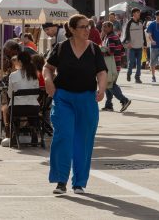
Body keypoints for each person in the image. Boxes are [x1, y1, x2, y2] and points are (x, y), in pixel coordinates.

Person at [43, 14, 107, 194]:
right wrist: (48, 80)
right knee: (64, 136)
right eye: (83, 27)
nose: (88, 30)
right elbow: (47, 67)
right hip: (63, 97)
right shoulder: (61, 47)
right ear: (71, 29)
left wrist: (101, 89)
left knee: (84, 141)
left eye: (88, 26)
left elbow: (102, 72)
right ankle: (60, 180)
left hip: (87, 99)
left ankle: (79, 182)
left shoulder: (94, 49)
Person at [1, 51, 40, 147]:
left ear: (19, 62)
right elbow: (36, 95)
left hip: (17, 108)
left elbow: (10, 94)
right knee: (30, 109)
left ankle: (15, 132)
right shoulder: (34, 75)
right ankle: (33, 129)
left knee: (11, 109)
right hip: (33, 108)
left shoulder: (13, 75)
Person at [101, 21, 132, 112]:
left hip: (112, 65)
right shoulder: (113, 37)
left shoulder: (111, 37)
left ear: (111, 28)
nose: (103, 28)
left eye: (105, 27)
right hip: (115, 64)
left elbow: (111, 51)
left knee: (110, 84)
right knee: (108, 84)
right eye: (103, 27)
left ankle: (124, 100)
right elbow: (122, 51)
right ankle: (109, 104)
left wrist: (101, 51)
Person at [122, 8, 146, 84]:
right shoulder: (129, 23)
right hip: (132, 46)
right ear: (134, 14)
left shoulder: (141, 22)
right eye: (137, 13)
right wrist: (127, 42)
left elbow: (143, 34)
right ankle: (129, 74)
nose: (139, 14)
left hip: (139, 46)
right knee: (131, 62)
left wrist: (144, 43)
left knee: (139, 63)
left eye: (139, 12)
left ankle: (137, 77)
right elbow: (126, 34)